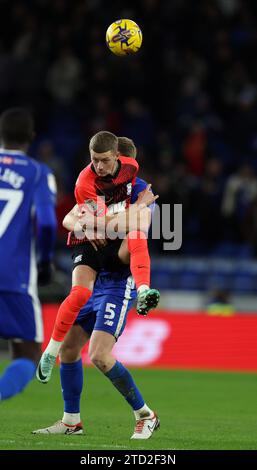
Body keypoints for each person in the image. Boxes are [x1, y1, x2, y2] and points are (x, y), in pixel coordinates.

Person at [33, 137, 160, 439]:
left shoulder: (142, 189)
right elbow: (72, 219)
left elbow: (139, 223)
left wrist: (95, 223)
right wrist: (84, 222)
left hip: (116, 281)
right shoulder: (91, 184)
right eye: (96, 160)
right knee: (69, 349)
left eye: (107, 162)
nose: (101, 167)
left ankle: (145, 414)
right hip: (94, 274)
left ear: (122, 162)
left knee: (100, 356)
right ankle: (71, 421)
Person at [0, 108, 57, 400]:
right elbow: (47, 223)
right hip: (13, 276)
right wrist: (45, 262)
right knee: (29, 353)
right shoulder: (37, 173)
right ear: (31, 138)